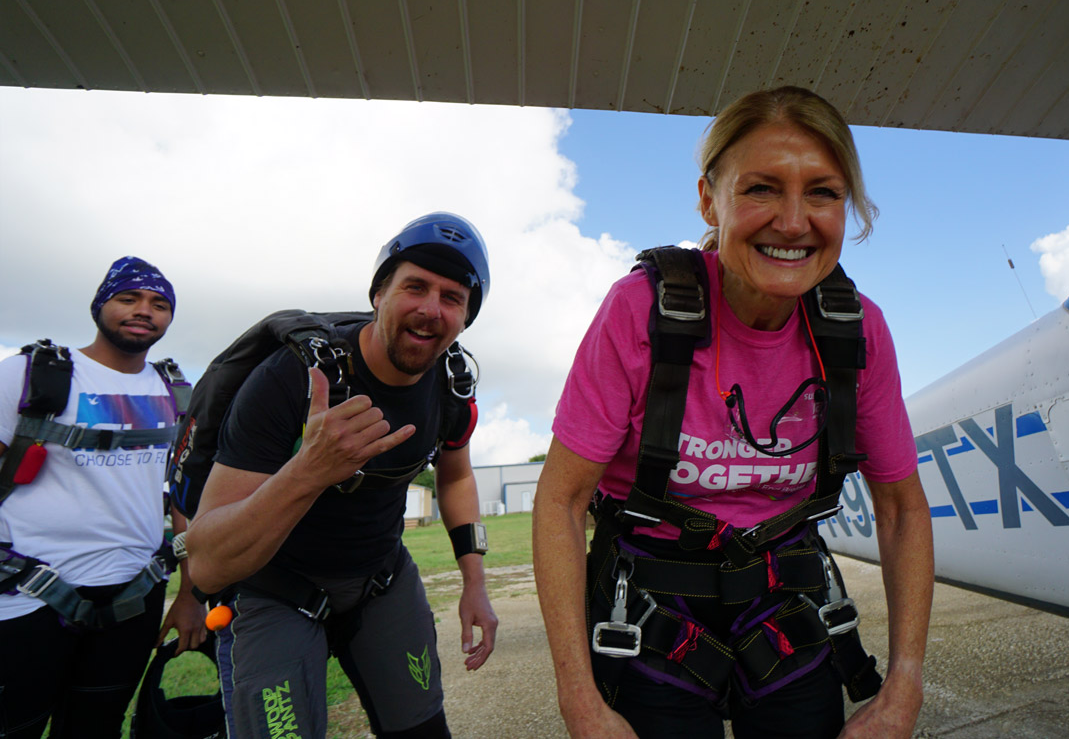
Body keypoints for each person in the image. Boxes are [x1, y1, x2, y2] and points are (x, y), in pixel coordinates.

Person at [533, 86, 934, 738]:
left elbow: (903, 509)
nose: (794, 221)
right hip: (654, 611)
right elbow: (559, 500)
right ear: (708, 200)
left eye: (823, 192)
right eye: (762, 189)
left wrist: (903, 687)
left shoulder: (856, 333)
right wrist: (580, 699)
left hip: (783, 605)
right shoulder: (642, 312)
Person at [185, 213, 499, 739]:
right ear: (378, 293)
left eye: (452, 298)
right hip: (273, 589)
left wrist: (475, 582)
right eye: (415, 286)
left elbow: (456, 477)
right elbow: (208, 567)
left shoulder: (451, 386)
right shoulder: (290, 379)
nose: (430, 309)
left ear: (465, 318)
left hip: (381, 580)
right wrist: (310, 470)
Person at [0, 256, 207, 738]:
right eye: (128, 298)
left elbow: (185, 497)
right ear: (100, 305)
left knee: (96, 729)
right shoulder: (31, 375)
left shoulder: (176, 391)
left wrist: (190, 596)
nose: (143, 311)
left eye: (159, 304)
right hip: (26, 596)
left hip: (133, 597)